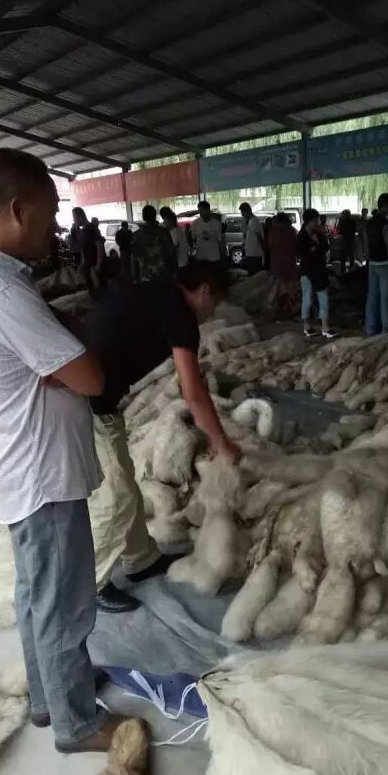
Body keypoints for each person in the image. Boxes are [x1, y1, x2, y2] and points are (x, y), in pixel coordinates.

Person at [0, 148, 127, 753]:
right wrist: (70, 351)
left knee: (36, 592)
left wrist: (59, 357)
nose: (55, 227)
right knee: (63, 602)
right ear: (19, 211)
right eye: (50, 214)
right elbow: (90, 378)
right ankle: (77, 723)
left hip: (15, 463)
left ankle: (49, 697)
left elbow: (60, 365)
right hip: (39, 469)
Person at [83, 261, 240, 613]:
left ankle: (141, 559)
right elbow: (192, 392)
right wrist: (221, 442)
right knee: (115, 497)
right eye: (216, 302)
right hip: (84, 404)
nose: (213, 311)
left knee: (124, 481)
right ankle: (89, 584)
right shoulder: (180, 315)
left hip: (98, 399)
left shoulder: (156, 294)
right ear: (204, 291)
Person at [297, 208, 336, 339]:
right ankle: (306, 326)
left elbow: (326, 247)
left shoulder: (319, 234)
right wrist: (314, 249)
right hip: (307, 271)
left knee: (323, 297)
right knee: (307, 299)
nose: (317, 223)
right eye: (314, 220)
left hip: (320, 270)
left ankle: (325, 326)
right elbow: (301, 253)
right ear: (307, 221)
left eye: (317, 220)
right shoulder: (301, 236)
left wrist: (316, 247)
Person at [365, 193, 388, 335]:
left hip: (372, 263)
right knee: (385, 298)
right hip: (385, 263)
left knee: (372, 297)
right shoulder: (386, 224)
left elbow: (366, 244)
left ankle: (370, 327)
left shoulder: (369, 223)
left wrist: (369, 258)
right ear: (385, 205)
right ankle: (386, 328)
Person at [132, 204, 175, 283]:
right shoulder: (164, 232)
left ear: (143, 217)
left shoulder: (136, 235)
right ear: (155, 216)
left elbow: (135, 257)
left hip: (145, 276)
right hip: (162, 275)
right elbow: (171, 253)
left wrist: (135, 277)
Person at [268, 211, 298, 317]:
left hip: (277, 264)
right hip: (290, 264)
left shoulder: (273, 231)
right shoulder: (292, 230)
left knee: (278, 289)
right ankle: (290, 310)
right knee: (290, 289)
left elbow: (270, 245)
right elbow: (296, 247)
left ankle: (276, 310)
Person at [71, 206, 103, 297]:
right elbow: (83, 250)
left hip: (94, 264)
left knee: (99, 288)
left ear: (80, 216)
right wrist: (82, 263)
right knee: (91, 287)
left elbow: (99, 246)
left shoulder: (92, 228)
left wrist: (98, 264)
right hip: (87, 264)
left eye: (74, 217)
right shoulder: (82, 230)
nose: (74, 220)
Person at [191, 200, 225, 264]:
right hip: (200, 256)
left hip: (214, 257)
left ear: (208, 210)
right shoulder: (195, 223)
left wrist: (222, 255)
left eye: (203, 210)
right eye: (199, 211)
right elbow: (193, 238)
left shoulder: (217, 223)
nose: (201, 213)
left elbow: (220, 241)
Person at [159, 206, 190, 270]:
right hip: (181, 262)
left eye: (165, 221)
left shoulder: (175, 232)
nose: (164, 223)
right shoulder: (177, 230)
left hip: (179, 263)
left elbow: (174, 249)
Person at [239, 202, 264, 274]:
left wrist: (263, 252)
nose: (242, 214)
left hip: (255, 254)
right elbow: (245, 234)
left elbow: (259, 237)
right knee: (251, 275)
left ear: (247, 211)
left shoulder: (254, 221)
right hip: (250, 254)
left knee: (255, 276)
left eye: (243, 212)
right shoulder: (248, 221)